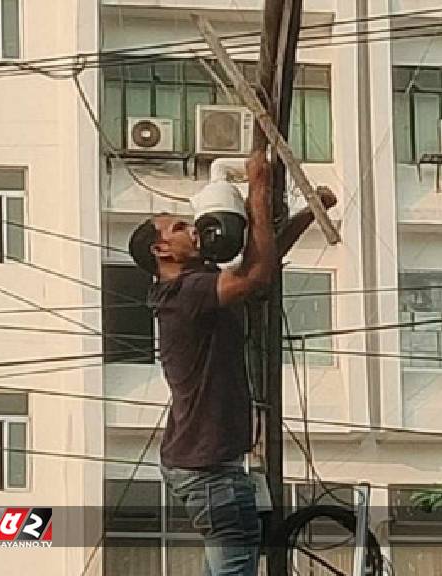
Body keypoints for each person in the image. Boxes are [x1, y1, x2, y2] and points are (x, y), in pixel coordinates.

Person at [126, 150, 336, 576]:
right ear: (161, 249)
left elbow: (259, 267)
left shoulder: (196, 286)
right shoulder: (186, 294)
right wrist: (258, 186)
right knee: (235, 568)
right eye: (179, 227)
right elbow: (255, 276)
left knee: (230, 567)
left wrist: (305, 215)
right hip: (209, 472)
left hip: (206, 465)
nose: (193, 229)